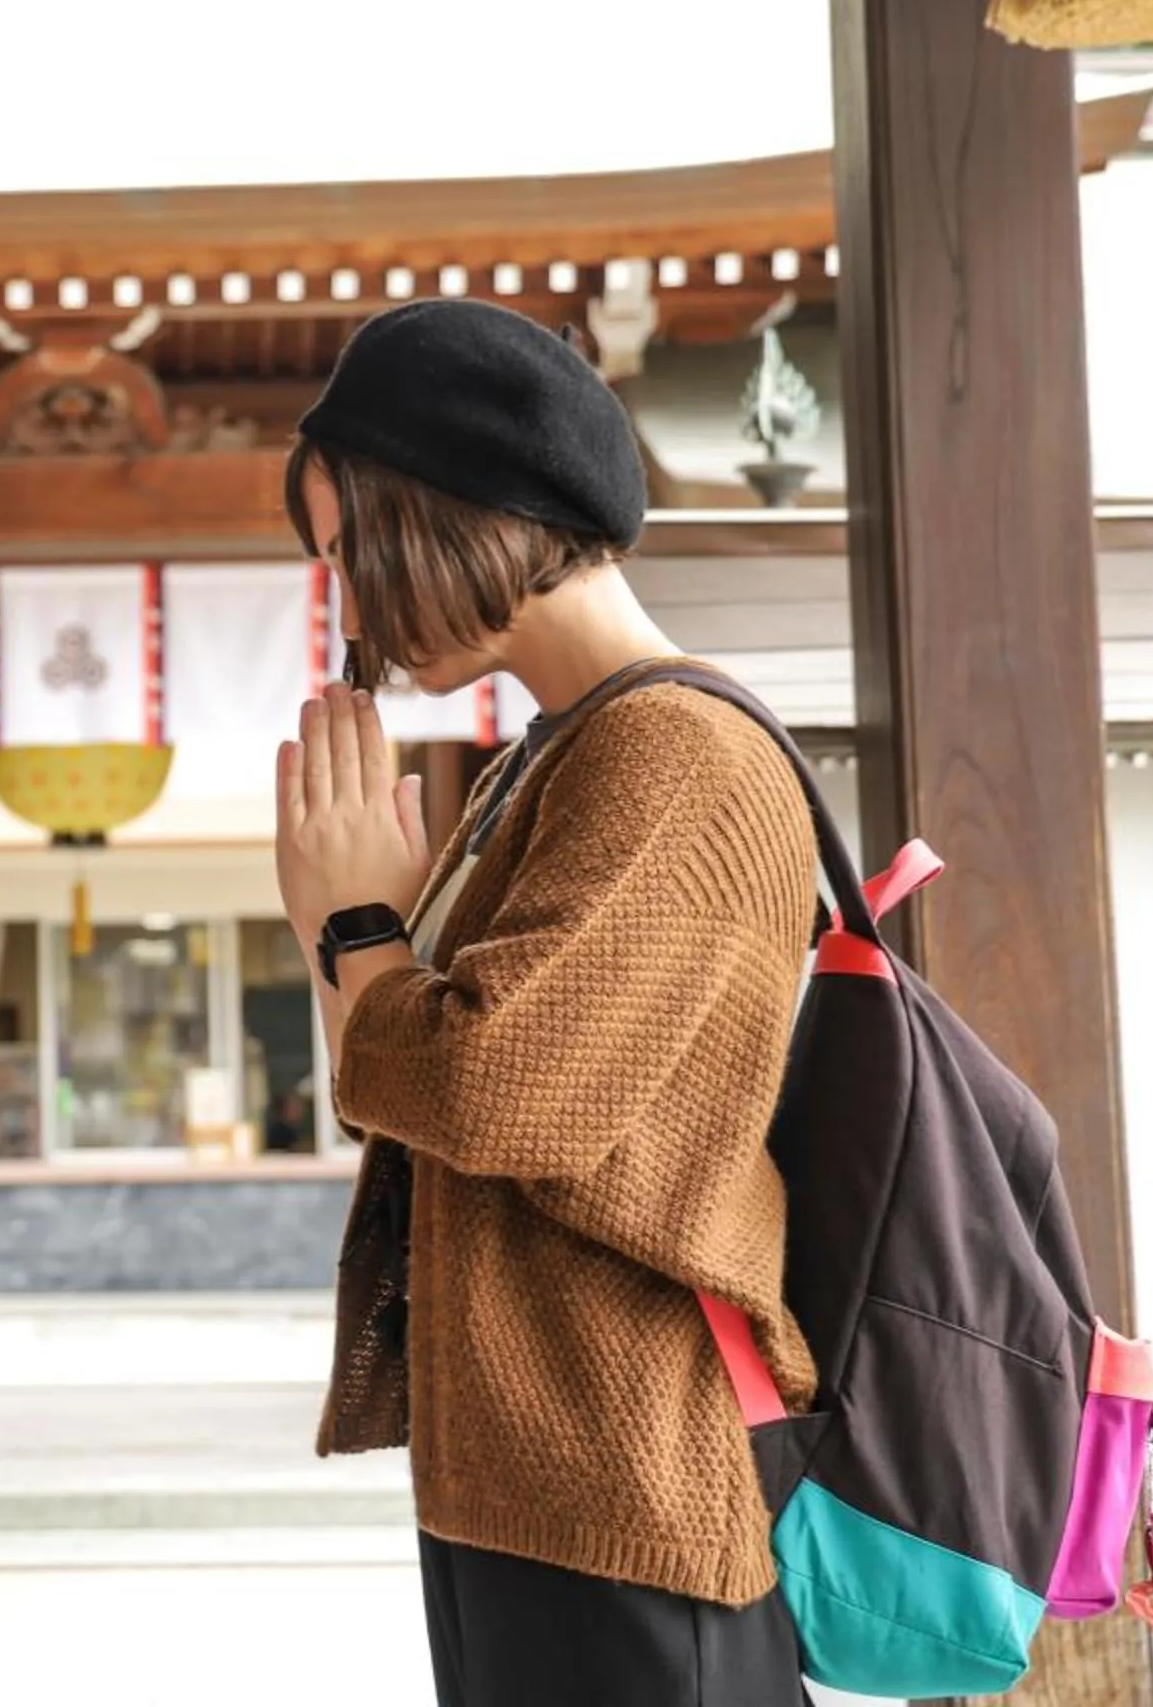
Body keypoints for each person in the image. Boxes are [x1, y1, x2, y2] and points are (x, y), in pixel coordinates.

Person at [274, 299, 817, 1706]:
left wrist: (357, 927)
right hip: (535, 1468)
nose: (349, 607)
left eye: (355, 550)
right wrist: (358, 942)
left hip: (626, 1475)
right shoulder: (555, 755)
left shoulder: (674, 752)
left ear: (462, 508)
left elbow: (493, 1091)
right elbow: (420, 1090)